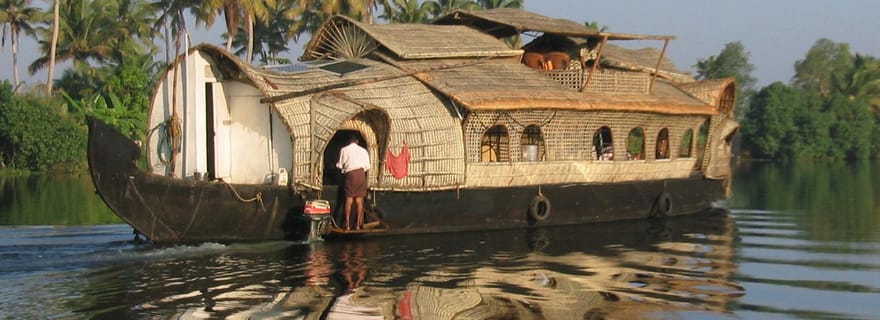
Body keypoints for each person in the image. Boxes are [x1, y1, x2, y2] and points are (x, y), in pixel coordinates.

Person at [336, 135, 370, 230]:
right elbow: (367, 166)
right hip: (360, 174)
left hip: (350, 174)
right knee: (359, 200)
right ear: (357, 141)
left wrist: (343, 169)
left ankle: (347, 225)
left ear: (349, 142)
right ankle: (358, 225)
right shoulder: (363, 151)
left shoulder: (344, 150)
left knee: (349, 199)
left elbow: (339, 165)